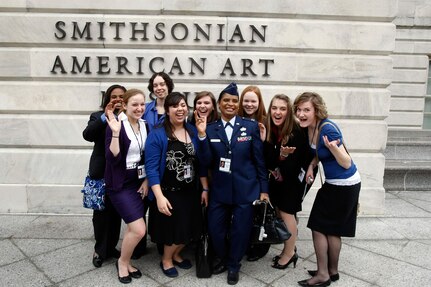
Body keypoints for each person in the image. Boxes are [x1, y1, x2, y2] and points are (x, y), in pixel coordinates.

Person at [195, 82, 269, 285]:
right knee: (215, 229)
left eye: (234, 101)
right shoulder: (210, 129)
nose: (230, 104)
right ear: (219, 104)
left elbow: (259, 160)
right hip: (219, 190)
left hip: (246, 189)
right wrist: (201, 136)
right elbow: (205, 162)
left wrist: (264, 189)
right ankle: (225, 258)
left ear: (238, 104)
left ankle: (234, 265)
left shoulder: (250, 126)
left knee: (240, 230)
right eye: (226, 100)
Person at [294, 92, 361, 287]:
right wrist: (311, 165)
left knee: (318, 226)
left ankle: (323, 274)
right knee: (333, 230)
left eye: (307, 110)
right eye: (299, 109)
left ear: (317, 111)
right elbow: (318, 152)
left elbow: (346, 162)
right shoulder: (311, 128)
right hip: (338, 184)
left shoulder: (328, 129)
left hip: (343, 184)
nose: (301, 113)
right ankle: (332, 271)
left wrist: (333, 148)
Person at [145, 92, 208, 278]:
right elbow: (152, 169)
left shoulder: (193, 130)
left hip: (191, 191)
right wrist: (159, 197)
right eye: (175, 106)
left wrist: (205, 187)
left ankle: (177, 254)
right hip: (168, 193)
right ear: (167, 110)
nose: (180, 109)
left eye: (183, 105)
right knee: (174, 230)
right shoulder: (157, 134)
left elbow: (203, 161)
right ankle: (166, 259)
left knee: (190, 229)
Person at [105, 89, 149, 284]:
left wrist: (147, 180)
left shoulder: (145, 125)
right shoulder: (116, 124)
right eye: (134, 105)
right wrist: (115, 133)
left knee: (133, 228)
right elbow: (112, 156)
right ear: (125, 105)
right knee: (139, 229)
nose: (139, 108)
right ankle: (122, 262)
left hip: (139, 181)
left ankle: (127, 260)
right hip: (121, 183)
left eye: (142, 105)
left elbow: (148, 156)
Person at [262, 94, 310, 269]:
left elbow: (293, 166)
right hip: (278, 179)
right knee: (281, 212)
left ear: (288, 111)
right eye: (274, 108)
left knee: (288, 213)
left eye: (282, 108)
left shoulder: (296, 132)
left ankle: (289, 253)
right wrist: (278, 156)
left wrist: (281, 158)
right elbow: (268, 161)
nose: (277, 112)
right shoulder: (270, 130)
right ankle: (288, 249)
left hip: (293, 181)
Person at [82, 84, 125, 268]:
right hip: (101, 172)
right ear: (107, 98)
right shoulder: (96, 116)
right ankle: (99, 250)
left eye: (121, 97)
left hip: (120, 172)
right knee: (100, 214)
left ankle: (111, 246)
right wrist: (104, 116)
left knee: (116, 213)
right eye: (113, 96)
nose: (117, 99)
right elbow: (87, 135)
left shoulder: (128, 116)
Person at [238, 85, 270, 262]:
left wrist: (264, 141)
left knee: (260, 212)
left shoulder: (265, 122)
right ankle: (245, 243)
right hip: (243, 175)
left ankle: (260, 246)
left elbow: (269, 153)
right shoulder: (236, 120)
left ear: (259, 103)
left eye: (253, 101)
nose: (250, 104)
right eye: (247, 100)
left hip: (261, 173)